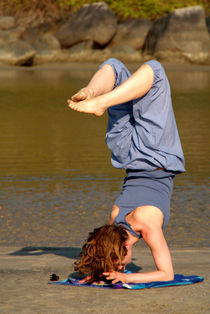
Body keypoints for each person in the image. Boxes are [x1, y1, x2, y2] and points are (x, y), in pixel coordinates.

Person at [68, 58, 185, 284]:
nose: (124, 265)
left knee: (156, 72)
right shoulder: (114, 218)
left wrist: (122, 275)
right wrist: (97, 274)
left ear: (122, 246)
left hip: (156, 152)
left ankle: (99, 102)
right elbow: (103, 246)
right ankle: (91, 92)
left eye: (121, 262)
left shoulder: (146, 224)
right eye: (121, 265)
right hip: (127, 154)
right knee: (116, 67)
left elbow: (166, 274)